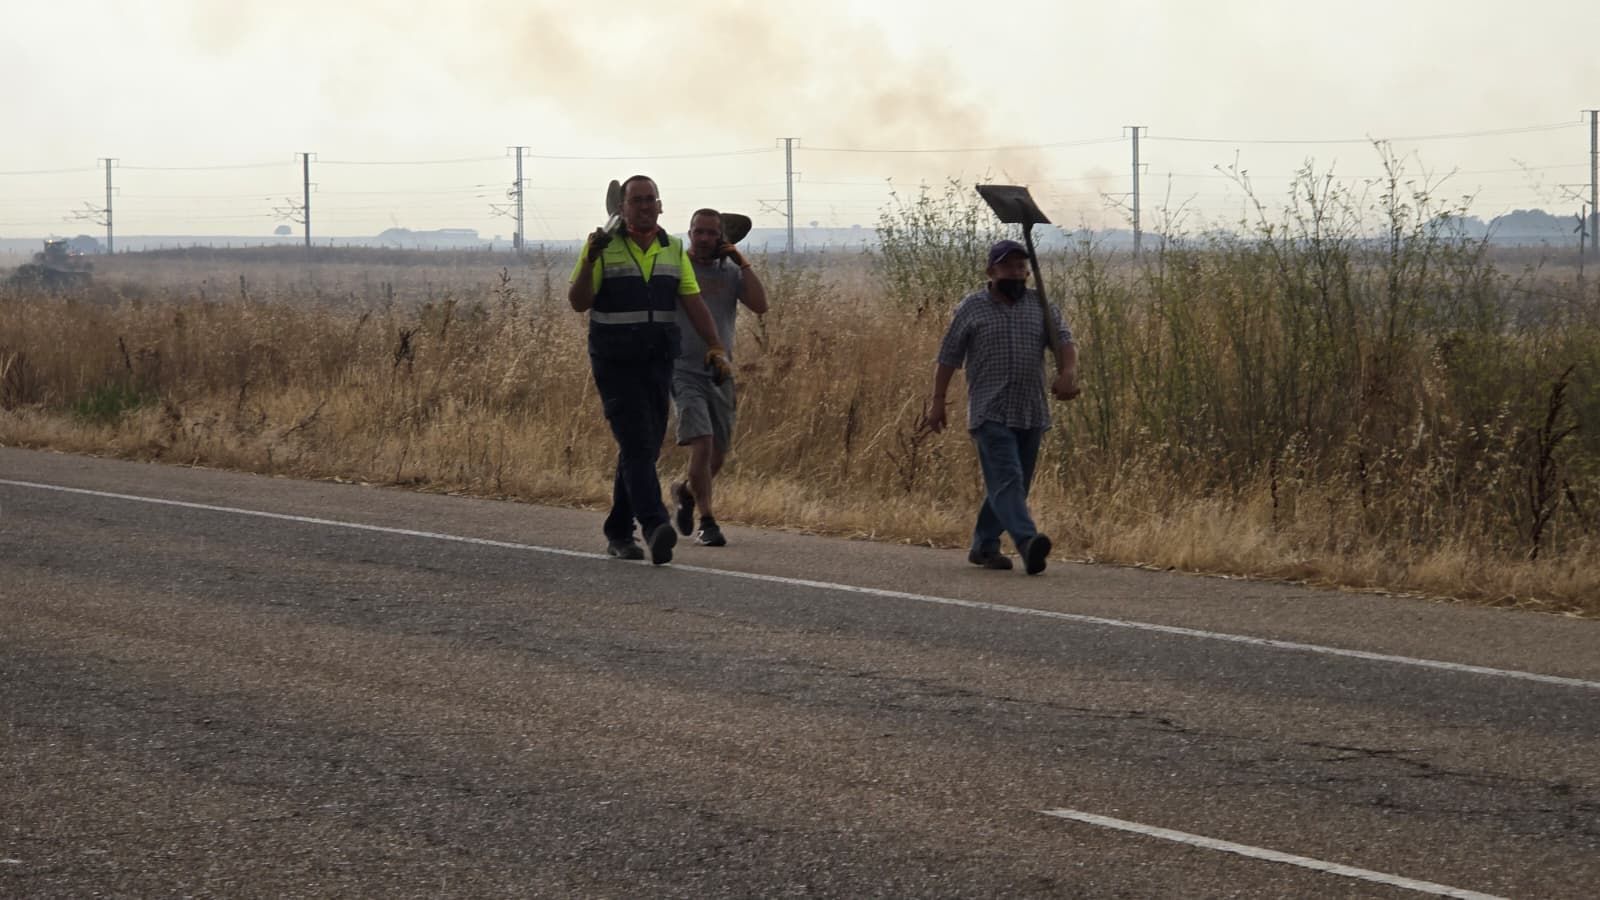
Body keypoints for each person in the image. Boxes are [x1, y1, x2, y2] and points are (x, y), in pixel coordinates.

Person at [568, 175, 733, 565]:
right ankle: (654, 523)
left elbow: (692, 301)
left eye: (649, 200)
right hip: (614, 361)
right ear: (621, 208)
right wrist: (590, 257)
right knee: (638, 443)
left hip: (658, 360)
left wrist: (715, 347)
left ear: (660, 206)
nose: (643, 206)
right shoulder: (602, 247)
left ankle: (618, 533)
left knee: (644, 446)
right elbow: (579, 301)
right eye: (635, 200)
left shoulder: (673, 248)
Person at [923, 239, 1080, 575]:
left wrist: (1067, 373)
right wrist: (938, 402)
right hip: (990, 411)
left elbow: (1064, 341)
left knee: (1013, 485)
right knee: (1008, 479)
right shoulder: (972, 308)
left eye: (1022, 267)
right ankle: (1028, 543)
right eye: (1009, 267)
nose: (1017, 273)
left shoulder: (1041, 306)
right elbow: (948, 357)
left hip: (1031, 411)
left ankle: (984, 546)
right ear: (991, 271)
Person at [668, 208, 769, 547]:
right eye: (699, 232)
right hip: (682, 369)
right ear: (689, 233)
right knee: (703, 440)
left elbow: (760, 305)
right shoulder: (677, 267)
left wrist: (742, 262)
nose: (705, 239)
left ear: (722, 237)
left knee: (718, 455)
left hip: (720, 370)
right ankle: (708, 521)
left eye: (712, 233)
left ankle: (684, 491)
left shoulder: (730, 271)